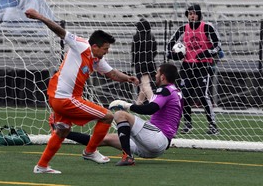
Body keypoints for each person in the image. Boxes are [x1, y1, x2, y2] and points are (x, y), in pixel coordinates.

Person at [24, 9, 139, 174]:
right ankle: (90, 151)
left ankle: (41, 166)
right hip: (65, 98)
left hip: (57, 96)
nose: (107, 52)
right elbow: (60, 31)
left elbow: (112, 73)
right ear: (94, 46)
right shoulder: (81, 45)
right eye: (105, 48)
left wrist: (128, 78)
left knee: (63, 130)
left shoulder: (96, 59)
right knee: (107, 116)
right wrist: (39, 16)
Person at [54, 63, 183, 166]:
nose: (155, 75)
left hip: (157, 138)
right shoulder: (175, 91)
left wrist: (127, 105)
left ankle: (127, 156)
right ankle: (64, 132)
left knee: (121, 115)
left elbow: (151, 109)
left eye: (157, 73)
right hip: (152, 147)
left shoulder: (165, 90)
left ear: (162, 77)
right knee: (104, 138)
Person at [167, 4, 222, 135]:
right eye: (190, 13)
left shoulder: (207, 27)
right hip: (186, 66)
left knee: (203, 95)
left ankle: (213, 125)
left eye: (194, 13)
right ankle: (188, 124)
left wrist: (207, 53)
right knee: (184, 96)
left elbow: (218, 45)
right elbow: (170, 45)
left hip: (202, 65)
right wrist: (174, 54)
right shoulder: (182, 29)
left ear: (199, 14)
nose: (192, 16)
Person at [132, 18, 158, 105]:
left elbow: (134, 51)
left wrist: (134, 62)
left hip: (140, 63)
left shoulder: (136, 37)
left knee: (145, 84)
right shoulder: (152, 36)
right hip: (150, 63)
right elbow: (155, 51)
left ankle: (153, 102)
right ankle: (138, 103)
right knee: (144, 84)